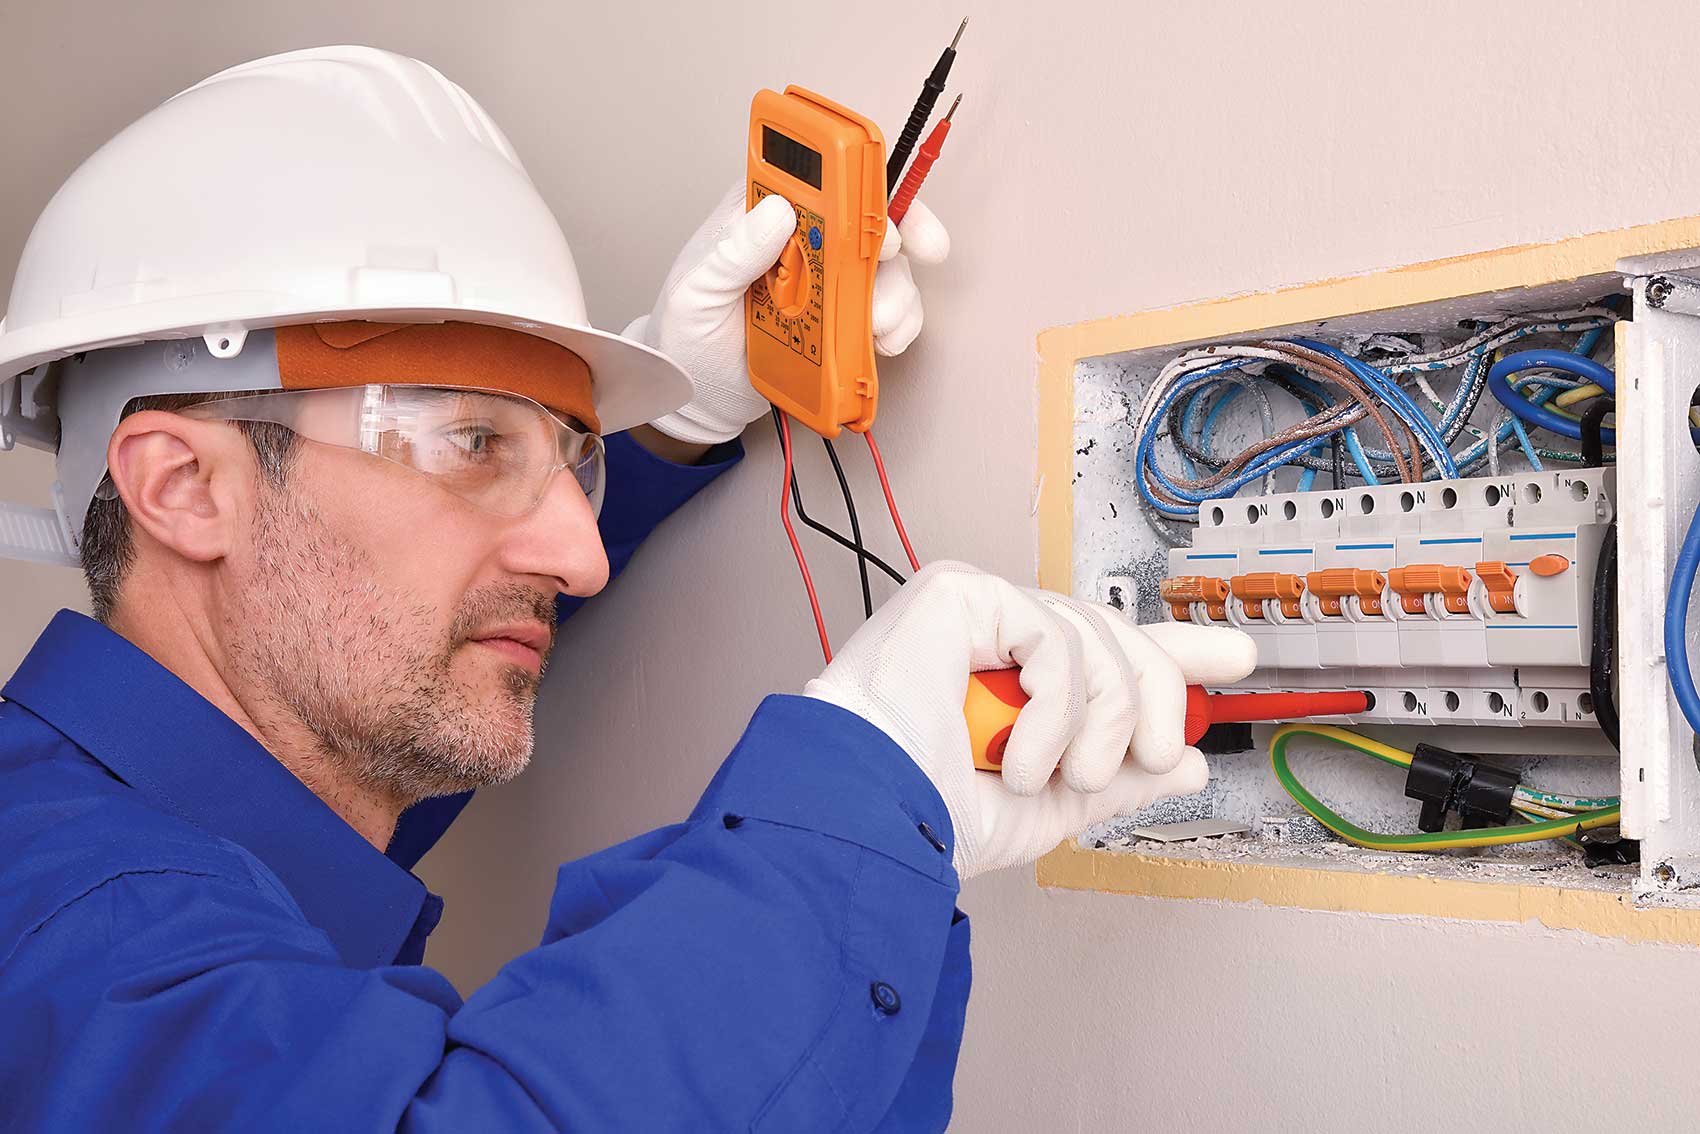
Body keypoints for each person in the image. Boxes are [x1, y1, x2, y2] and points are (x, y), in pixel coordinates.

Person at [0, 46, 1253, 1132]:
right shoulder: (70, 921)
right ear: (183, 487)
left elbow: (379, 629)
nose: (583, 554)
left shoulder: (186, 808)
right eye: (474, 444)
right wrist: (861, 794)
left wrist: (676, 423)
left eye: (569, 456)